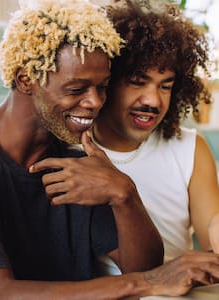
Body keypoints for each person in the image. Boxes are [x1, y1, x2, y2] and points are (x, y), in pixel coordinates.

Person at [0, 0, 219, 299]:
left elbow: (143, 268)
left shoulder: (75, 164)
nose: (95, 102)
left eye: (102, 88)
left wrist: (125, 194)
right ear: (26, 79)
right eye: (77, 89)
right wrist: (148, 282)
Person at [90, 0, 219, 273]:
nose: (152, 100)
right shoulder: (72, 149)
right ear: (107, 81)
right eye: (137, 82)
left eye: (165, 86)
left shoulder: (189, 147)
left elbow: (213, 241)